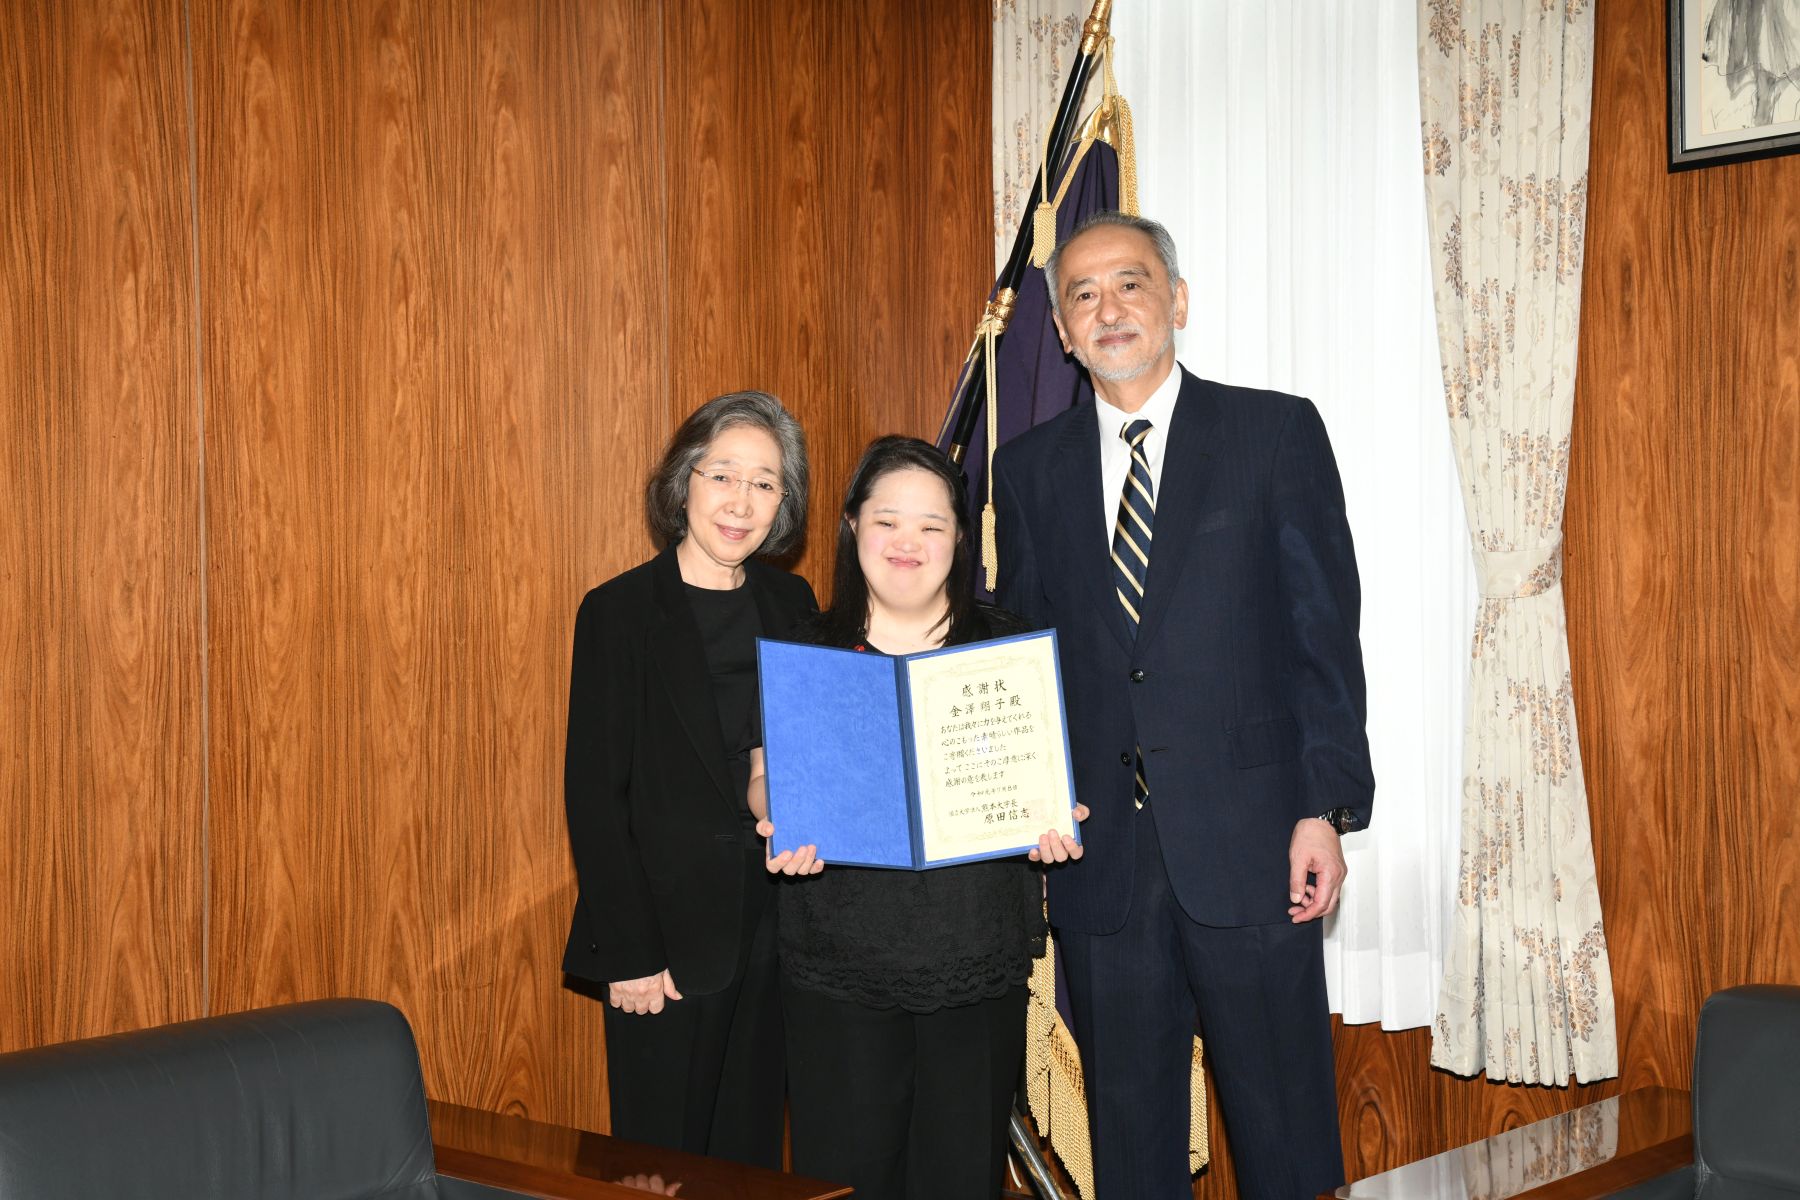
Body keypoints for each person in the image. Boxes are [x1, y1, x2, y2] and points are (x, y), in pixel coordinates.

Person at [990, 212, 1375, 1200]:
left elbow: (1323, 637)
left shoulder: (1273, 433)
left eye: (1132, 283)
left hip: (1254, 846)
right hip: (1101, 865)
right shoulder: (1026, 472)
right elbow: (1024, 658)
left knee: (1285, 1137)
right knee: (1131, 1149)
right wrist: (1025, 801)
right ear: (1063, 333)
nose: (1109, 308)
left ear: (1178, 300)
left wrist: (1324, 811)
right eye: (1083, 295)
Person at [751, 435, 1086, 1200]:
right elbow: (763, 775)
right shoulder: (806, 647)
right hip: (838, 964)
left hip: (973, 956)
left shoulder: (1008, 647)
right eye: (887, 521)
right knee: (844, 1181)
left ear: (960, 538)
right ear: (852, 527)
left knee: (961, 1179)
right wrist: (780, 816)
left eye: (932, 525)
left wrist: (1054, 815)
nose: (908, 542)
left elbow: (1047, 776)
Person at [561, 390, 816, 1169]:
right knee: (661, 1168)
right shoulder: (617, 612)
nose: (742, 502)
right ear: (683, 483)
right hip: (664, 947)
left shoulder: (793, 602)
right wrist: (629, 951)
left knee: (749, 1165)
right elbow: (595, 797)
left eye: (765, 483)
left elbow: (801, 755)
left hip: (777, 934)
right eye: (723, 476)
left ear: (783, 503)